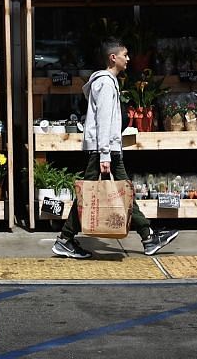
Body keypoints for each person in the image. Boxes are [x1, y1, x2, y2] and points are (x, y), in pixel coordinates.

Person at [51, 38, 178, 259]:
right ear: (113, 58)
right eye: (125, 54)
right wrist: (104, 154)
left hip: (108, 149)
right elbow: (103, 121)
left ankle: (148, 236)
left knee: (122, 192)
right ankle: (65, 239)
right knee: (89, 194)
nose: (128, 59)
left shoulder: (108, 82)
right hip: (103, 150)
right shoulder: (106, 83)